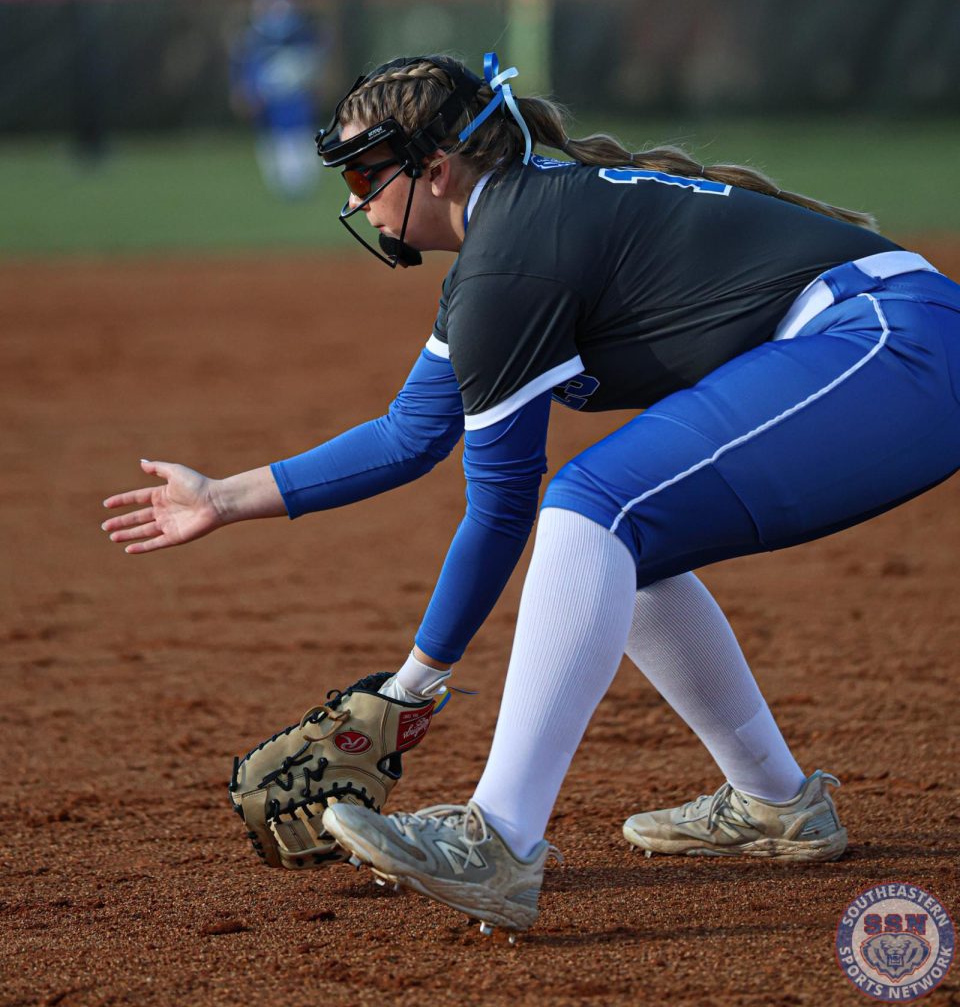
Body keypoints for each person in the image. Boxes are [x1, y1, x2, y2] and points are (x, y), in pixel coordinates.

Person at [102, 52, 960, 940]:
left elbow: (504, 508)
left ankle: (500, 839)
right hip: (892, 345)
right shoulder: (507, 235)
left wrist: (409, 689)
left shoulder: (513, 256)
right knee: (625, 543)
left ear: (435, 170)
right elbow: (408, 435)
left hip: (893, 349)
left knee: (592, 504)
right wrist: (223, 497)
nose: (354, 200)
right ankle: (779, 804)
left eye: (365, 172)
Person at [229, 0, 327, 198]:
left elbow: (312, 64)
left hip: (294, 100)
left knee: (300, 137)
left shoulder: (300, 33)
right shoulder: (253, 37)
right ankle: (289, 185)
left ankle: (300, 185)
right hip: (271, 103)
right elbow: (245, 69)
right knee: (275, 142)